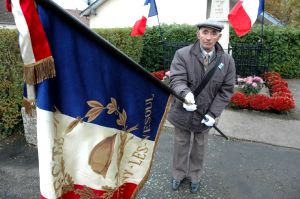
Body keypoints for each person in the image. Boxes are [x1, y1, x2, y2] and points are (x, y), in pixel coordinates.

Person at [167, 19, 236, 193]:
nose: (208, 37)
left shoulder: (227, 61)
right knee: (181, 144)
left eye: (213, 33)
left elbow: (226, 90)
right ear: (198, 34)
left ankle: (195, 176)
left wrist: (213, 114)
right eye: (205, 32)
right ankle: (178, 174)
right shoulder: (182, 54)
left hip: (206, 114)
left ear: (219, 37)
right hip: (183, 110)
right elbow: (176, 79)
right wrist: (185, 94)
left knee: (200, 147)